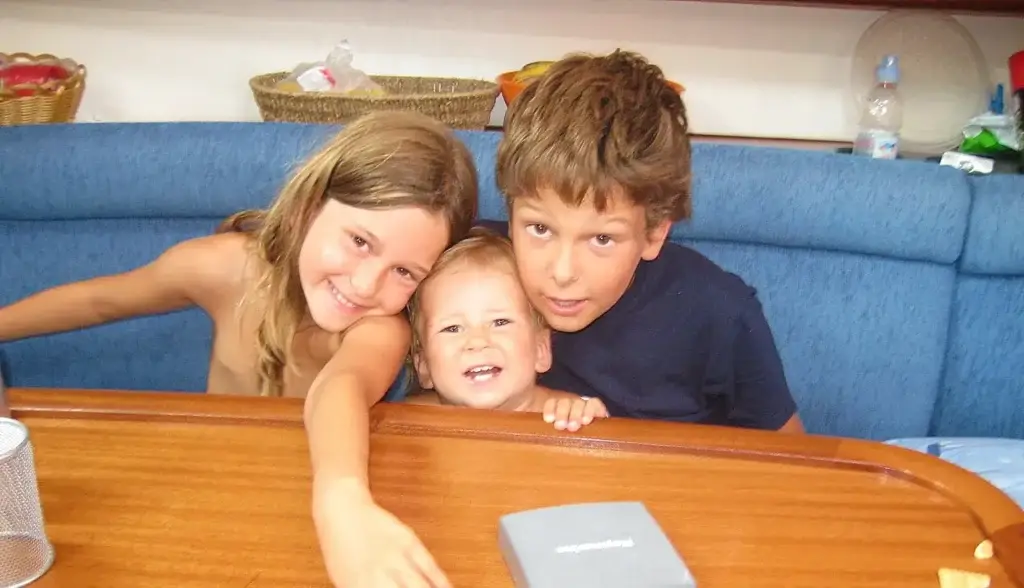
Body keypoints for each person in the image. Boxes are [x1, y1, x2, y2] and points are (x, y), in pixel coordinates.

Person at [0, 110, 479, 587]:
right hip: (208, 494)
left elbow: (341, 387)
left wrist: (343, 502)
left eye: (405, 272)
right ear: (309, 205)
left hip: (311, 512)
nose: (365, 283)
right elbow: (99, 301)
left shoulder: (380, 330)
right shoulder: (220, 269)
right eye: (359, 241)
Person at [485, 49, 805, 434]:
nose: (563, 272)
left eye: (602, 238)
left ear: (654, 233)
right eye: (539, 229)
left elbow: (789, 455)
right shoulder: (475, 271)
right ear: (511, 210)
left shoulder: (719, 314)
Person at [404, 227, 609, 430]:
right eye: (452, 328)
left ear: (540, 350)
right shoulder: (405, 421)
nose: (478, 341)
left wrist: (587, 419)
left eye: (500, 322)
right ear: (424, 366)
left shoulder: (562, 415)